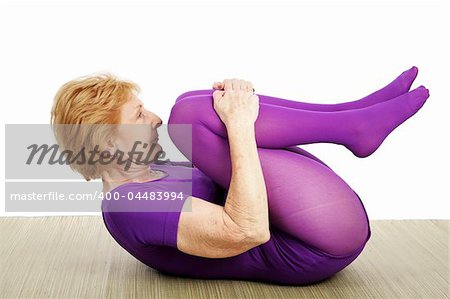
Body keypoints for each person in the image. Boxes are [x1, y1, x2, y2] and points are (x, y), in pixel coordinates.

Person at [50, 66, 429, 285]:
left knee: (193, 108)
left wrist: (237, 107)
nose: (154, 119)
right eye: (138, 116)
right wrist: (239, 123)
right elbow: (248, 230)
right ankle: (353, 124)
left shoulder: (155, 174)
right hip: (314, 246)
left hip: (317, 221)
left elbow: (244, 167)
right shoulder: (129, 203)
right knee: (191, 114)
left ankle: (352, 116)